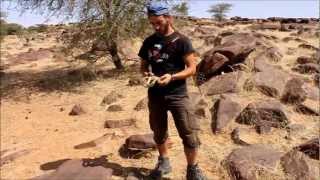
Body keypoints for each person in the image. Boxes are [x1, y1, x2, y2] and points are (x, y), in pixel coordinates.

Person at [138, 2, 206, 180]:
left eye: (159, 22)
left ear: (169, 18)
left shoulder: (182, 41)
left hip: (178, 95)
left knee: (189, 134)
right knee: (159, 132)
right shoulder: (149, 42)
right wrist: (147, 75)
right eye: (152, 23)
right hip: (155, 95)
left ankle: (193, 170)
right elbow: (143, 65)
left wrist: (172, 77)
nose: (155, 26)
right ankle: (164, 161)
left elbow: (192, 69)